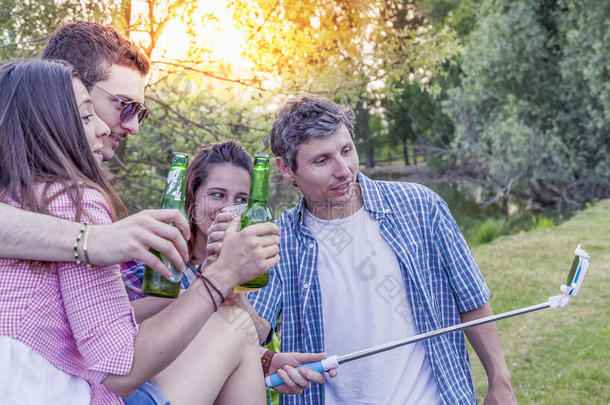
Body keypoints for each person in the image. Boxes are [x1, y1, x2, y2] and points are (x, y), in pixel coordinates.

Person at [0, 59, 279, 404]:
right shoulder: (75, 200)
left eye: (241, 199)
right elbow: (120, 368)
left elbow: (93, 326)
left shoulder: (18, 195)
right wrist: (221, 276)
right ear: (49, 126)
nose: (104, 128)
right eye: (88, 116)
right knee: (234, 328)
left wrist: (219, 284)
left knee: (235, 323)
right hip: (55, 391)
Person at [243, 95, 518, 404]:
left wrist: (500, 380)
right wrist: (227, 276)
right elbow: (251, 332)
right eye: (322, 160)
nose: (344, 170)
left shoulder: (420, 206)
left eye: (347, 151)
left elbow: (471, 299)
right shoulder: (279, 241)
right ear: (285, 168)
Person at [122, 141, 337, 395]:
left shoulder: (257, 262)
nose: (229, 208)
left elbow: (254, 335)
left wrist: (230, 280)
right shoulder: (154, 250)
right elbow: (126, 327)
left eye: (242, 199)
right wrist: (214, 276)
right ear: (192, 198)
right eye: (217, 194)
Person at [0, 21, 187, 278]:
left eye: (140, 113)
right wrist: (93, 240)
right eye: (124, 104)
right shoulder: (75, 202)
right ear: (67, 88)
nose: (134, 127)